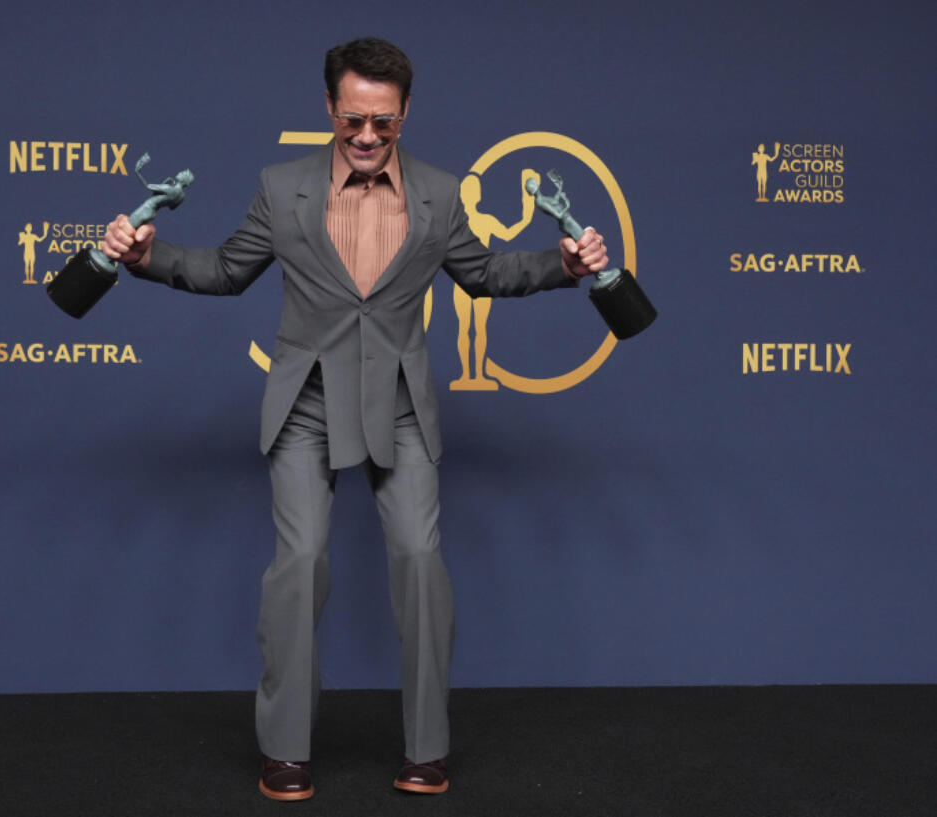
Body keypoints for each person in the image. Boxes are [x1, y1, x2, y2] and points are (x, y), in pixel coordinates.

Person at [102, 37, 608, 801]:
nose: (367, 137)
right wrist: (145, 257)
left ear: (406, 113)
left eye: (383, 123)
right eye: (352, 120)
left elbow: (486, 274)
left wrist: (563, 268)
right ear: (328, 111)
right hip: (306, 398)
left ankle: (426, 748)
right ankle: (285, 748)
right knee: (300, 564)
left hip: (401, 403)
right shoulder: (282, 188)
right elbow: (225, 271)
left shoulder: (438, 193)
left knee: (420, 564)